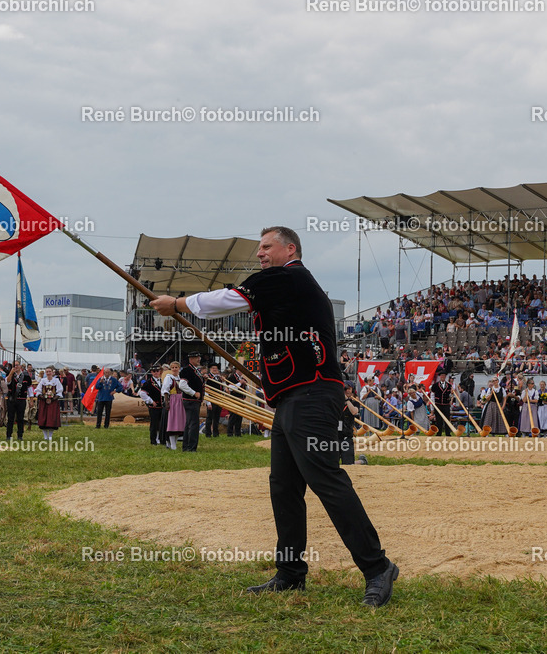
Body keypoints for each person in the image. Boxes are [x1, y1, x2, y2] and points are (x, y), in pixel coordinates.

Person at [151, 226, 397, 607]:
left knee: (325, 478)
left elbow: (228, 299)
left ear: (290, 249)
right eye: (259, 249)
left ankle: (377, 567)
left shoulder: (287, 276)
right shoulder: (284, 286)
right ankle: (291, 573)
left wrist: (178, 304)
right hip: (293, 396)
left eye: (267, 247)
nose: (260, 254)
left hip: (313, 392)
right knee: (283, 485)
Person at [160, 361, 192, 450]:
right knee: (172, 422)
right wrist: (166, 402)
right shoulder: (168, 378)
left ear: (179, 368)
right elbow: (165, 390)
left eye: (176, 367)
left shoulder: (180, 378)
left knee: (179, 423)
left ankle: (175, 442)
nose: (174, 369)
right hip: (173, 400)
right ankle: (171, 443)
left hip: (180, 401)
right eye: (172, 367)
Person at [179, 352, 205, 450]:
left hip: (193, 401)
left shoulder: (195, 370)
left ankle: (187, 446)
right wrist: (194, 393)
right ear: (191, 359)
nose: (199, 359)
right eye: (196, 358)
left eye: (199, 357)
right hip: (191, 400)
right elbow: (182, 385)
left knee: (189, 423)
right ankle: (191, 447)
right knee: (193, 424)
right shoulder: (187, 370)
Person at [5, 362, 31, 441]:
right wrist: (11, 373)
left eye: (17, 365)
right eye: (14, 365)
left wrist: (31, 399)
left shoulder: (26, 377)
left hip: (22, 399)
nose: (16, 367)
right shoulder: (10, 375)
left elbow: (29, 389)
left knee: (20, 418)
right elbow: (7, 382)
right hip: (12, 399)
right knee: (10, 418)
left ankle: (20, 435)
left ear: (20, 366)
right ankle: (9, 435)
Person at [36, 366, 63, 440]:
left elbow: (59, 391)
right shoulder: (42, 380)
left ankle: (50, 436)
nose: (48, 373)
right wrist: (44, 398)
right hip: (44, 402)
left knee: (51, 418)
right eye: (47, 372)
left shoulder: (56, 381)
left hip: (53, 402)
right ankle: (45, 436)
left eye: (49, 371)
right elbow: (38, 391)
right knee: (44, 418)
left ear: (52, 372)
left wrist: (52, 399)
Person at [139, 366, 164, 445]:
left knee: (161, 423)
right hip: (154, 406)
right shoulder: (149, 382)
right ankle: (153, 440)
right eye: (154, 371)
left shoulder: (163, 381)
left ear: (160, 371)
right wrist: (150, 401)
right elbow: (142, 393)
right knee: (154, 423)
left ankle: (160, 438)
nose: (156, 372)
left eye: (157, 371)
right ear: (152, 372)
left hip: (162, 406)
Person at [204, 364, 223, 438]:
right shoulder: (208, 377)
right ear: (210, 369)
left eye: (216, 368)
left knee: (216, 417)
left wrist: (223, 381)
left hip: (219, 399)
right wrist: (208, 402)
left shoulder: (219, 377)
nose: (215, 369)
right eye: (213, 368)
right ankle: (208, 433)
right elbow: (206, 390)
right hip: (211, 399)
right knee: (209, 417)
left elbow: (222, 388)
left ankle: (216, 433)